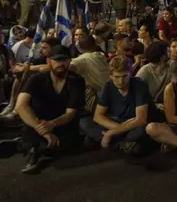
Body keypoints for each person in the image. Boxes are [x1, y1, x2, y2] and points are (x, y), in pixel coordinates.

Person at [15, 45, 85, 174]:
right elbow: (21, 106)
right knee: (34, 139)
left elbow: (70, 113)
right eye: (57, 60)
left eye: (64, 60)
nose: (61, 63)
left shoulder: (76, 81)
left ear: (69, 61)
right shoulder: (36, 79)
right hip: (37, 122)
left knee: (67, 146)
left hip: (61, 123)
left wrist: (52, 124)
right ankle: (32, 147)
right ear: (49, 61)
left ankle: (31, 145)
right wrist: (44, 131)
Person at [80, 56, 156, 154]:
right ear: (110, 76)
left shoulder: (139, 85)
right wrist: (119, 128)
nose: (121, 81)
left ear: (131, 74)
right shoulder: (108, 86)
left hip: (134, 124)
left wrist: (110, 133)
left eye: (125, 76)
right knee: (83, 122)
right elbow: (98, 116)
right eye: (116, 77)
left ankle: (110, 141)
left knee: (143, 130)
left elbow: (141, 119)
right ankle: (121, 145)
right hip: (119, 122)